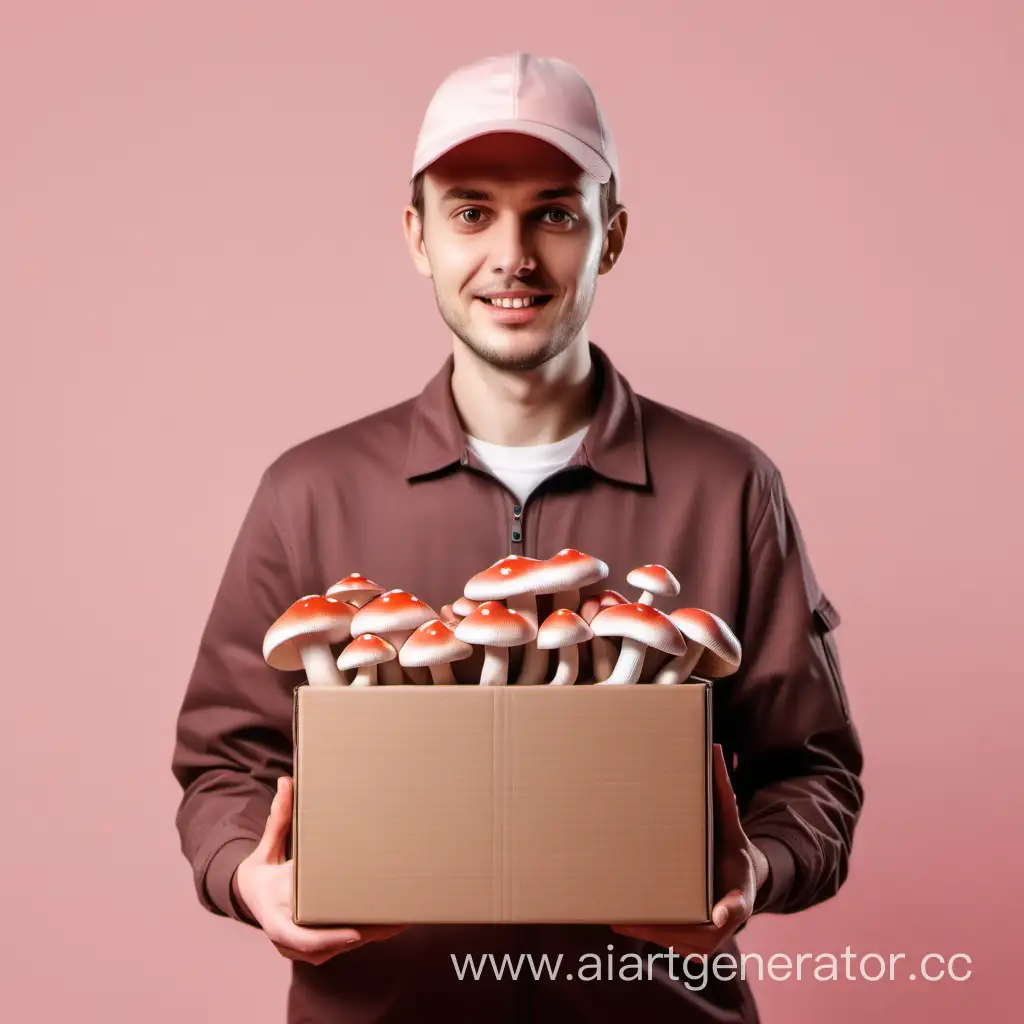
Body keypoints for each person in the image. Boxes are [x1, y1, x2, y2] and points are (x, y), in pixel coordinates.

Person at [171, 52, 864, 1023]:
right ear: (415, 234)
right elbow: (223, 764)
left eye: (554, 211)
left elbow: (812, 771)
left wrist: (757, 865)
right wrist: (248, 873)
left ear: (609, 236)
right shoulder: (309, 490)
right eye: (469, 212)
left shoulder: (728, 486)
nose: (513, 255)